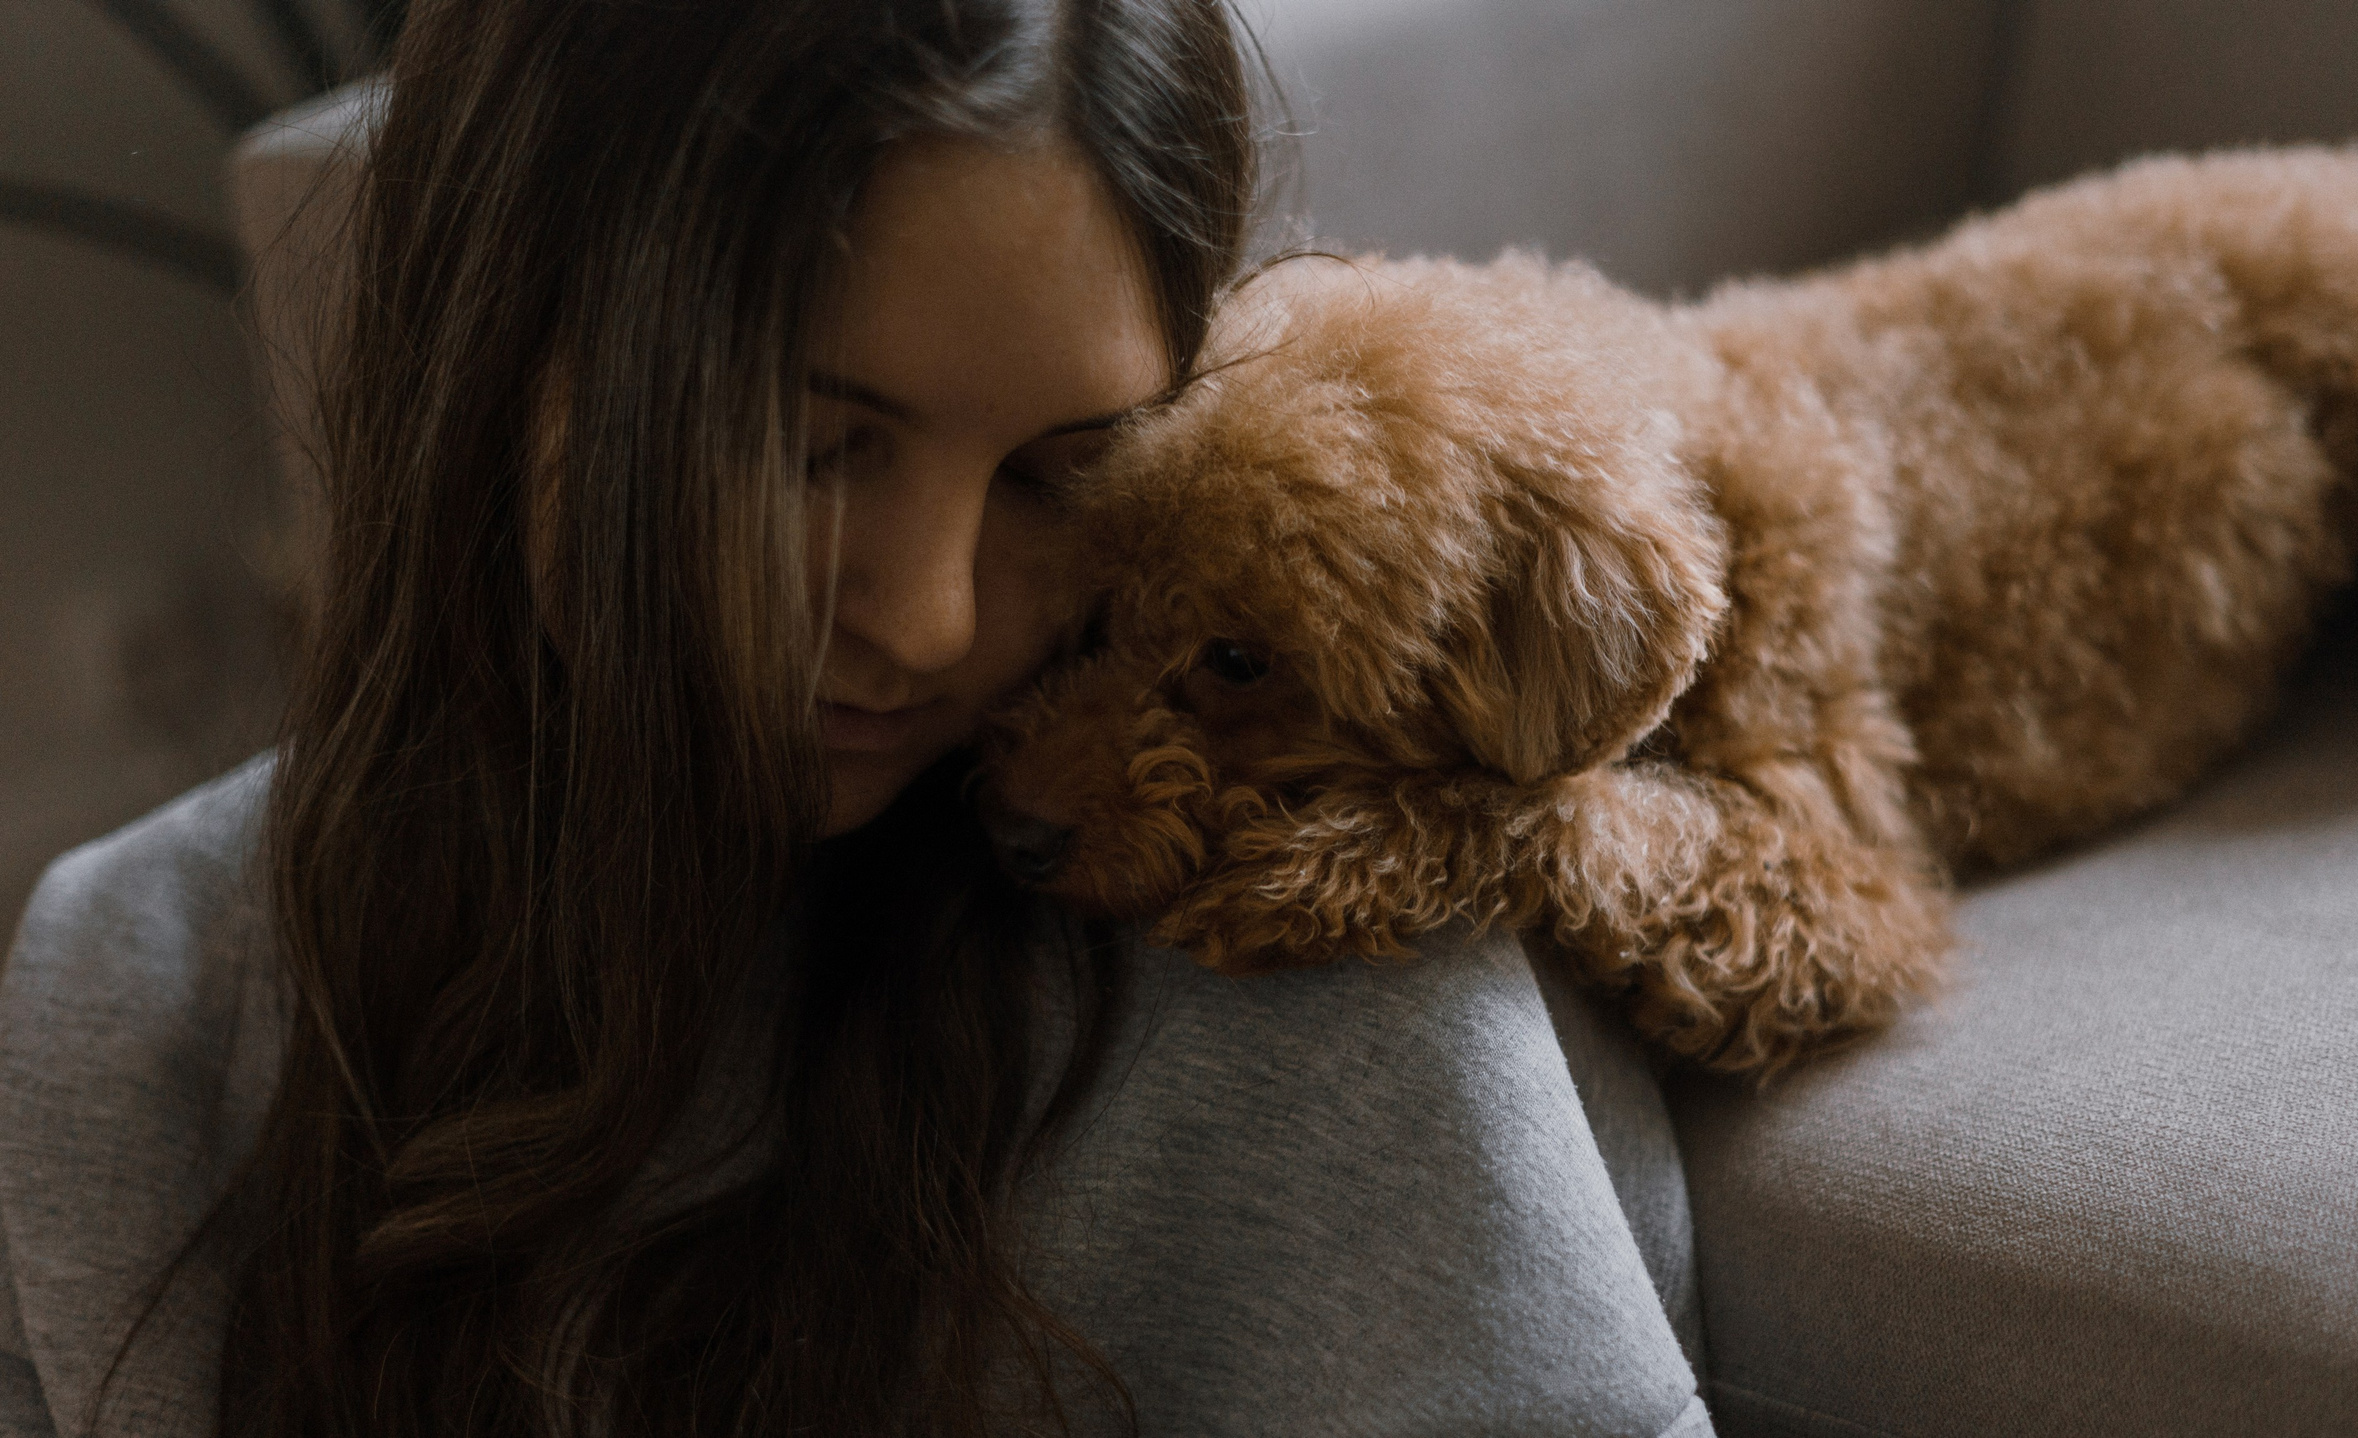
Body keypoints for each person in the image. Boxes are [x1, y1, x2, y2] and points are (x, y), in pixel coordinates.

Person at [0, 1, 1708, 1434]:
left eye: (1061, 475)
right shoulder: (130, 994)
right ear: (503, 344)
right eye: (818, 451)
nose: (935, 616)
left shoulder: (1290, 967)